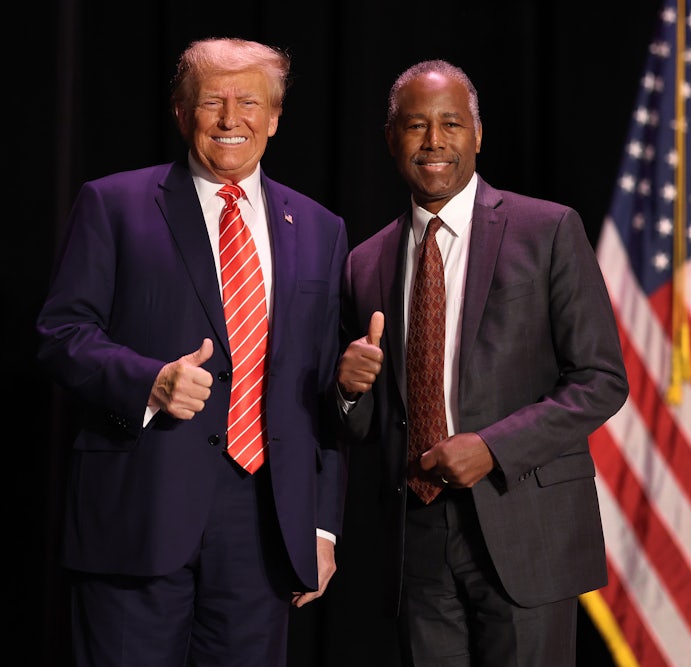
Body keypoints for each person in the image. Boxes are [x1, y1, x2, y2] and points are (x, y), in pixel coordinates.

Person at [36, 37, 348, 666]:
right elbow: (61, 333)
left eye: (250, 102)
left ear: (275, 117)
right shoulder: (114, 204)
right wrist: (148, 382)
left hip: (264, 524)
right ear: (182, 113)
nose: (232, 118)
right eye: (212, 101)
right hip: (140, 509)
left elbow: (320, 391)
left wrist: (320, 525)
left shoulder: (321, 227)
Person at [336, 59, 629, 666]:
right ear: (391, 138)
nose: (434, 141)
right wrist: (349, 392)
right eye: (416, 125)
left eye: (451, 124)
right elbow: (365, 426)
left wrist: (493, 448)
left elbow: (600, 379)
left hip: (526, 527)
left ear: (477, 134)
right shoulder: (366, 262)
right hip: (415, 543)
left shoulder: (547, 230)